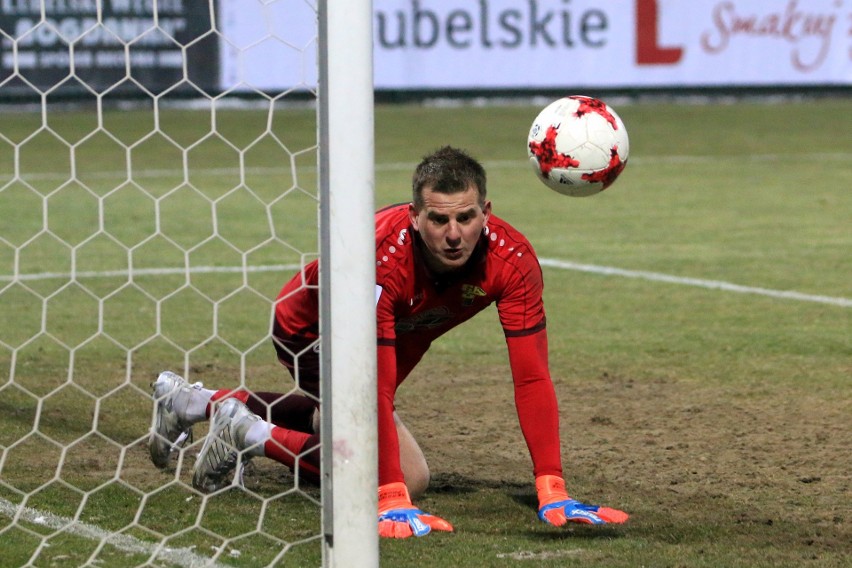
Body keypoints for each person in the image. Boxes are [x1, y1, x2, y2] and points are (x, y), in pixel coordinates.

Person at [148, 145, 629, 538]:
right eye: (439, 221)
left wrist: (552, 486)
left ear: (487, 212)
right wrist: (392, 495)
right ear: (415, 217)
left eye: (466, 217)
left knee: (332, 419)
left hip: (404, 331)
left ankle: (195, 402)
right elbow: (374, 387)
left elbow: (531, 376)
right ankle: (248, 434)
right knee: (401, 470)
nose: (455, 235)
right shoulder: (380, 261)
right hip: (312, 326)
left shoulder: (514, 260)